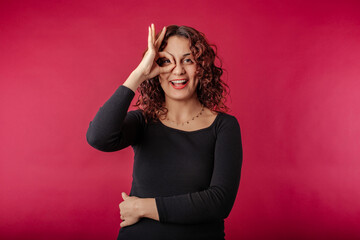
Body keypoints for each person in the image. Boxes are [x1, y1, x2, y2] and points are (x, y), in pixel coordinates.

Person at [86, 23, 243, 240]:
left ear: (202, 68)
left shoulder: (224, 126)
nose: (177, 70)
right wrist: (139, 73)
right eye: (166, 61)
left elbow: (219, 202)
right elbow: (98, 137)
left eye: (188, 60)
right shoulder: (143, 121)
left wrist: (143, 207)